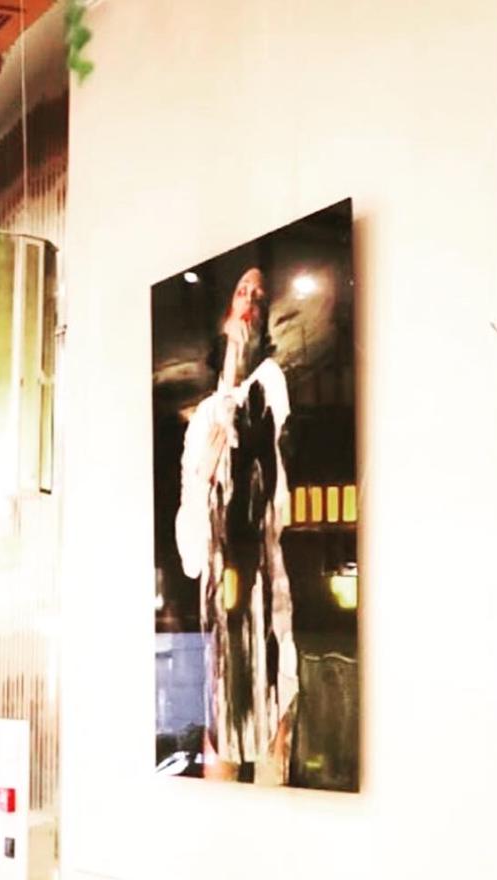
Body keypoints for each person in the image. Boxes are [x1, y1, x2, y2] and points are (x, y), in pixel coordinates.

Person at [174, 267, 297, 783]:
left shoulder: (270, 383)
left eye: (259, 296)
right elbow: (190, 550)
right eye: (242, 291)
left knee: (273, 744)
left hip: (266, 601)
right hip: (219, 614)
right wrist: (205, 474)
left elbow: (270, 476)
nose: (250, 300)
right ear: (227, 313)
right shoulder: (203, 417)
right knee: (220, 746)